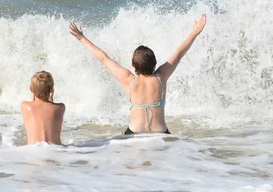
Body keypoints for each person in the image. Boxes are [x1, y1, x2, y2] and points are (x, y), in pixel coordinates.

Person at [69, 14, 207, 135]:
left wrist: (82, 38)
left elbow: (104, 59)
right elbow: (178, 55)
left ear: (133, 65)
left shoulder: (128, 80)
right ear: (155, 63)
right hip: (161, 134)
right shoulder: (161, 76)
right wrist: (194, 33)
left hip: (134, 134)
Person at [21, 71, 65, 145]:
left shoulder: (25, 106)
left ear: (31, 89)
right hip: (56, 150)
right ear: (52, 90)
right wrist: (51, 99)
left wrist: (33, 96)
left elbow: (33, 103)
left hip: (32, 151)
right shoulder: (60, 107)